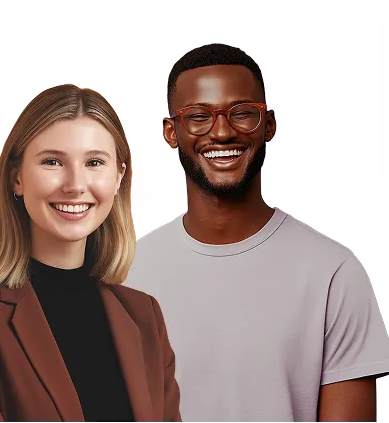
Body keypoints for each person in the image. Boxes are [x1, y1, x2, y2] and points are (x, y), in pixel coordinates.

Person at [124, 43, 389, 421]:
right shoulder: (126, 276)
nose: (221, 132)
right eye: (199, 116)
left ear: (269, 125)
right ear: (171, 131)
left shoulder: (333, 273)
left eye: (242, 113)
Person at [0, 82, 182, 422]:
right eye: (53, 161)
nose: (74, 184)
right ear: (16, 178)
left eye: (95, 162)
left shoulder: (144, 316)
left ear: (118, 179)